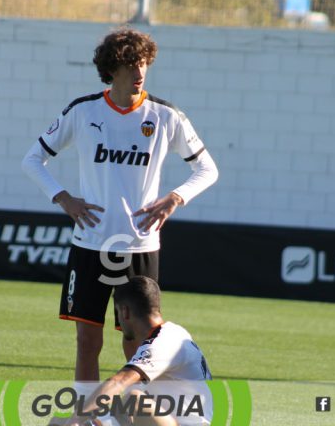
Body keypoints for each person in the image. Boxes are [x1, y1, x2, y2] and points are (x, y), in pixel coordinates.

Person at [22, 28, 218, 395]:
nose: (140, 72)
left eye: (144, 63)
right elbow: (32, 160)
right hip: (91, 242)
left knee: (139, 344)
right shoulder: (83, 111)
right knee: (87, 340)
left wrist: (176, 197)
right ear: (112, 70)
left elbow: (208, 169)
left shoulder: (165, 116)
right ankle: (87, 414)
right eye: (131, 65)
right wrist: (63, 198)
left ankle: (133, 415)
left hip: (141, 245)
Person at [62, 276, 213, 426]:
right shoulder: (173, 333)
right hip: (177, 420)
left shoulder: (161, 343)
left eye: (117, 313)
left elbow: (119, 382)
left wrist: (75, 420)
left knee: (133, 400)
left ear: (125, 311)